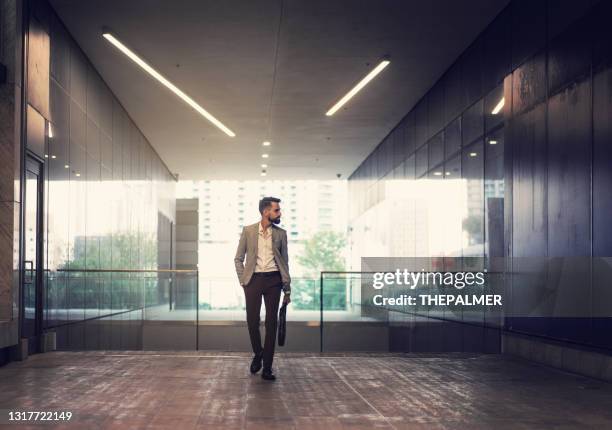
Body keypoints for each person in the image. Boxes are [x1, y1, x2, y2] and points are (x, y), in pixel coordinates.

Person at [234, 197, 291, 381]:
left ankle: (267, 367)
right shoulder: (249, 231)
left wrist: (287, 289)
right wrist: (243, 280)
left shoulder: (281, 234)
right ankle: (258, 353)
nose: (279, 213)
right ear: (266, 212)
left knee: (271, 324)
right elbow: (238, 258)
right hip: (253, 280)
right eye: (276, 210)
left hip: (274, 280)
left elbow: (285, 262)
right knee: (252, 321)